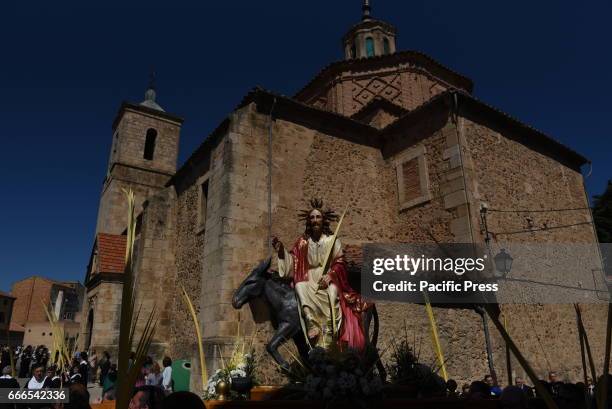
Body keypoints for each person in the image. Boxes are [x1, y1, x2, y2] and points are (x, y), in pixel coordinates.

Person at [273, 198, 369, 350]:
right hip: (309, 278)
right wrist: (280, 251)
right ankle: (311, 323)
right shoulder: (303, 242)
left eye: (318, 217)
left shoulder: (332, 240)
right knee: (299, 286)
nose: (315, 220)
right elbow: (293, 261)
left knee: (332, 294)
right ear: (308, 221)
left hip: (329, 278)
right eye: (312, 217)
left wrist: (330, 275)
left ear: (323, 220)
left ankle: (331, 329)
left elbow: (340, 261)